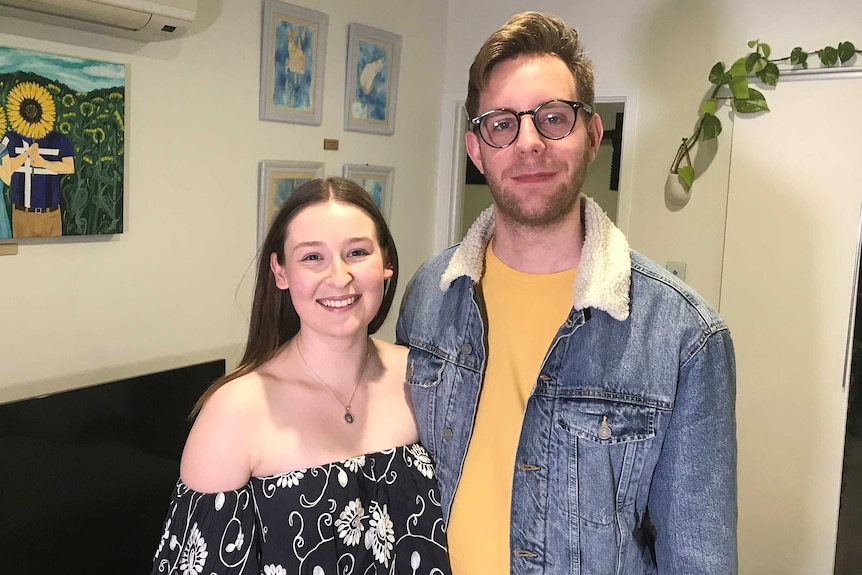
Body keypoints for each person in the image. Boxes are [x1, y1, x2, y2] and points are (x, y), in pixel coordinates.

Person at [396, 11, 737, 575]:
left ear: (593, 137)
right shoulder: (429, 296)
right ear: (476, 150)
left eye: (553, 118)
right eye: (502, 124)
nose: (529, 143)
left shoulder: (684, 338)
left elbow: (699, 561)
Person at [151, 178, 452, 574]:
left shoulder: (427, 378)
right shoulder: (235, 413)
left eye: (357, 252)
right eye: (312, 257)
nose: (339, 277)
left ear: (386, 265)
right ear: (281, 272)